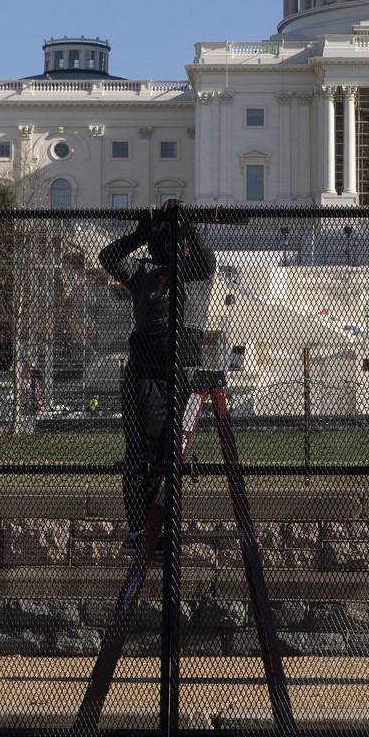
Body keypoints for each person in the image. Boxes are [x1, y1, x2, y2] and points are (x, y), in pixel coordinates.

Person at [99, 200, 214, 558]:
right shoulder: (142, 270)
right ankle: (139, 531)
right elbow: (107, 257)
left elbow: (206, 258)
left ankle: (163, 531)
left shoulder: (194, 269)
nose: (167, 247)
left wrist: (184, 220)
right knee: (139, 455)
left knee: (170, 454)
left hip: (181, 362)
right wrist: (139, 233)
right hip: (144, 364)